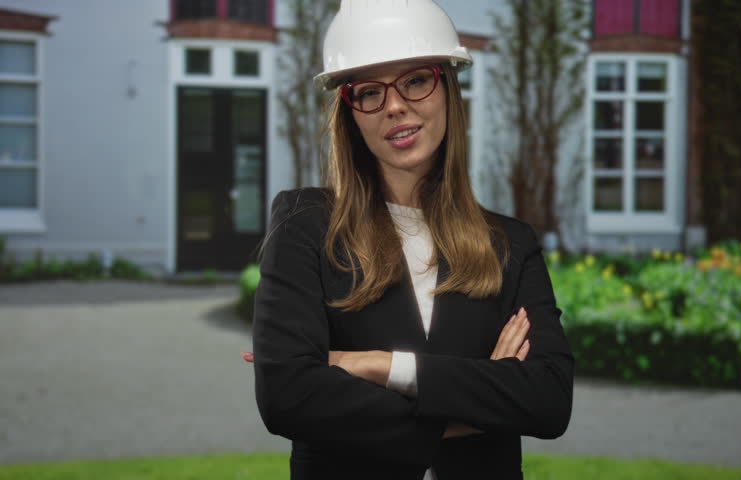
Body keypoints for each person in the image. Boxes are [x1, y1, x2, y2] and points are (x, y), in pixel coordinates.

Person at [242, 1, 574, 478]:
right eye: (371, 92)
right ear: (350, 112)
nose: (395, 105)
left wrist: (377, 366)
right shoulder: (305, 224)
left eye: (416, 80)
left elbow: (547, 399)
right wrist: (476, 407)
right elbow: (288, 397)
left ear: (447, 89)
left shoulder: (509, 244)